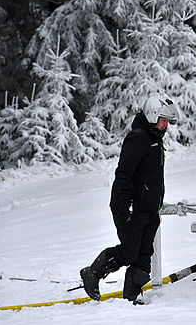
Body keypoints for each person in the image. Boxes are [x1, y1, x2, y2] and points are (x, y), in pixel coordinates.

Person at [80, 96, 178, 304]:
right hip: (131, 207)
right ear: (152, 115)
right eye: (163, 119)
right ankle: (92, 273)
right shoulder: (138, 138)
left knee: (144, 257)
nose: (166, 124)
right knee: (130, 252)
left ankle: (130, 299)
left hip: (149, 209)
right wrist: (126, 207)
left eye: (167, 120)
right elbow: (123, 174)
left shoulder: (154, 138)